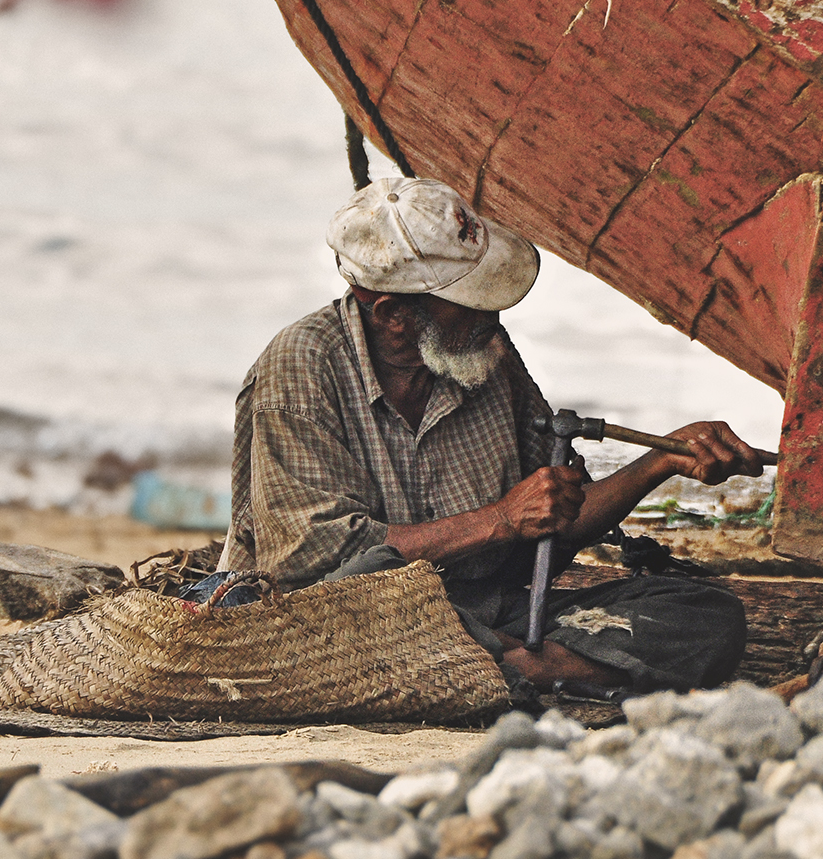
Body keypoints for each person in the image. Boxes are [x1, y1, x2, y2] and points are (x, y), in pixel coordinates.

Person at [223, 178, 764, 692]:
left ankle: (511, 662)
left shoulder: (483, 355)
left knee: (705, 616)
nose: (495, 314)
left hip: (483, 612)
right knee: (361, 586)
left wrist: (658, 462)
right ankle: (531, 663)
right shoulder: (301, 365)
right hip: (344, 620)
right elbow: (308, 562)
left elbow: (555, 516)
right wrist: (499, 520)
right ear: (393, 315)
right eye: (472, 301)